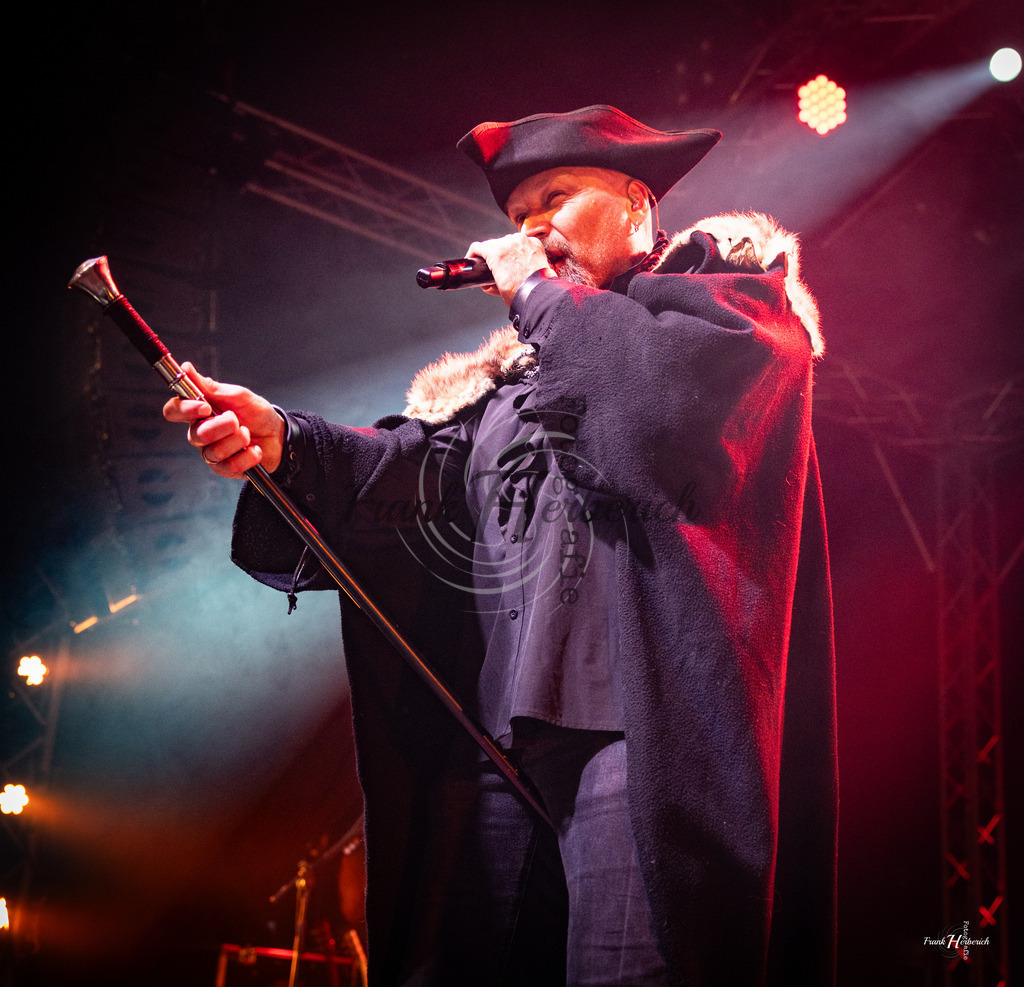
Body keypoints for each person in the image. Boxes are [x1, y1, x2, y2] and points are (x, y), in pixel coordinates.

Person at [164, 105, 837, 986]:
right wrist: (282, 440)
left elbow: (653, 414)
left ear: (637, 205)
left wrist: (538, 291)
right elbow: (399, 478)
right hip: (489, 754)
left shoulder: (726, 311)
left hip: (634, 745)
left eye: (555, 198)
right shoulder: (513, 383)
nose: (531, 230)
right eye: (518, 217)